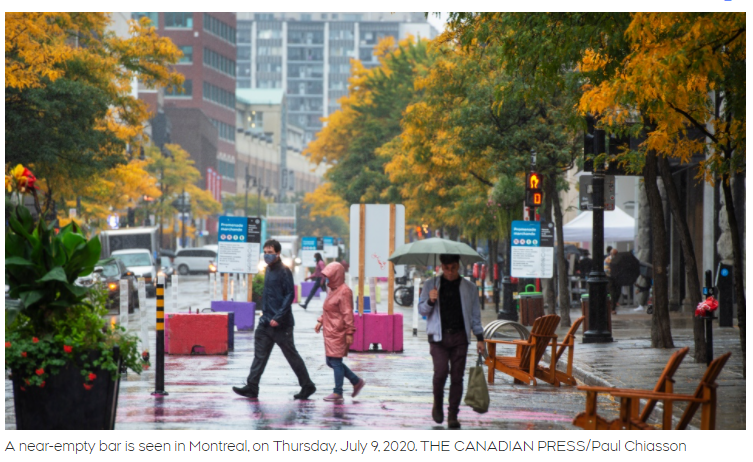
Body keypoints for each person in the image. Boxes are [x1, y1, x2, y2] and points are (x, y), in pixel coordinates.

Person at [233, 239, 316, 400]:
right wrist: (265, 316)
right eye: (265, 252)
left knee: (291, 355)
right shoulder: (268, 270)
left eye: (270, 253)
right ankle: (252, 386)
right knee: (259, 356)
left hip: (281, 324)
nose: (267, 255)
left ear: (278, 254)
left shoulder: (284, 271)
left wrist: (278, 317)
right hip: (266, 322)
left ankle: (307, 386)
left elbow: (289, 295)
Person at [418, 254, 484, 429]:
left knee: (457, 376)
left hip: (460, 337)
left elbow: (475, 314)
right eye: (446, 268)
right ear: (441, 267)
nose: (449, 272)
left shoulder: (469, 288)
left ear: (458, 266)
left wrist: (480, 337)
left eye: (453, 268)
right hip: (438, 338)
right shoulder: (430, 285)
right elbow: (421, 310)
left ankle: (453, 414)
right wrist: (431, 301)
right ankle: (437, 404)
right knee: (440, 373)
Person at [314, 262, 366, 402]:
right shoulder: (331, 289)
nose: (327, 279)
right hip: (329, 330)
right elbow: (328, 309)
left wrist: (349, 332)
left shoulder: (344, 291)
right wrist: (321, 320)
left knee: (336, 361)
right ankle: (356, 381)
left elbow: (347, 313)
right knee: (330, 361)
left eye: (330, 276)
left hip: (339, 331)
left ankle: (338, 392)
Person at [604, 247, 619, 314]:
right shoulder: (607, 259)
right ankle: (612, 308)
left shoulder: (619, 259)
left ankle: (614, 304)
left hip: (618, 278)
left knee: (618, 292)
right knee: (612, 292)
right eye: (614, 254)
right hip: (610, 277)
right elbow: (606, 270)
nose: (615, 255)